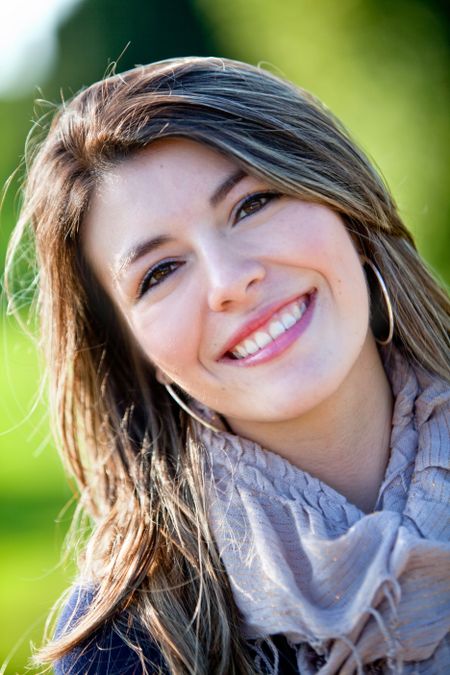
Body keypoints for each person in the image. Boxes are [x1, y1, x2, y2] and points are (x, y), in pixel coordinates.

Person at [6, 56, 450, 674]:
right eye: (160, 272)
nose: (230, 282)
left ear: (345, 206)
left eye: (253, 204)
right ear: (137, 352)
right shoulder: (123, 647)